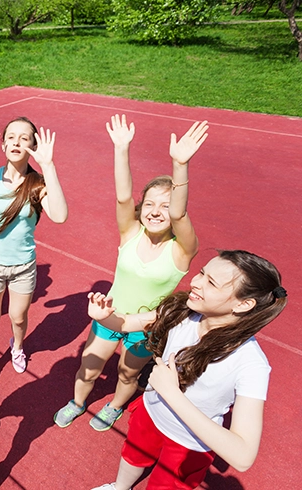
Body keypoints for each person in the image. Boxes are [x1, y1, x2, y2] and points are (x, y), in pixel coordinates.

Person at [54, 115, 208, 431]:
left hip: (146, 326)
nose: (155, 211)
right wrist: (121, 148)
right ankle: (77, 402)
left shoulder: (181, 251)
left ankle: (113, 406)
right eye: (149, 204)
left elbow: (179, 212)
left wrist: (180, 165)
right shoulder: (130, 232)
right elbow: (124, 196)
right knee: (89, 365)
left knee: (128, 372)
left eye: (164, 206)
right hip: (109, 315)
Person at [87, 250, 287, 490]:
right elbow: (127, 322)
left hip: (189, 443)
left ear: (244, 304)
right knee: (133, 454)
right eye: (202, 273)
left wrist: (171, 393)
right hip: (151, 413)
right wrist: (104, 317)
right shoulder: (183, 311)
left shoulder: (251, 364)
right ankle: (120, 487)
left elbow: (243, 456)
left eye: (211, 283)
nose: (195, 282)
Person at [0, 116, 68, 390]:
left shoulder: (38, 184)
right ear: (3, 143)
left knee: (18, 317)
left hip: (23, 267)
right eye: (11, 137)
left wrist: (49, 165)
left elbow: (61, 215)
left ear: (33, 145)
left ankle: (16, 346)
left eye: (24, 137)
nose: (17, 142)